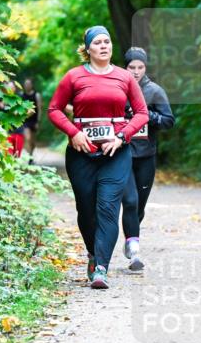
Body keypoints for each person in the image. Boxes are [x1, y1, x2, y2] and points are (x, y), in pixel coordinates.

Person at [48, 26, 149, 289]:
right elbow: (54, 109)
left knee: (108, 207)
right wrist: (74, 132)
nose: (104, 46)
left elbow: (141, 113)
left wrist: (122, 137)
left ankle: (101, 267)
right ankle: (93, 253)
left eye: (107, 42)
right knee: (86, 209)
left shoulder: (124, 77)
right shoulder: (74, 77)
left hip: (115, 152)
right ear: (88, 49)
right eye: (98, 42)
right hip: (82, 153)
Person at [120, 47, 175, 271]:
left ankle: (130, 238)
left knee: (139, 206)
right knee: (130, 202)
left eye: (140, 67)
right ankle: (134, 252)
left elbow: (169, 121)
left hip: (146, 156)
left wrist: (148, 116)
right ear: (125, 67)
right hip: (121, 154)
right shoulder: (116, 88)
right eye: (131, 67)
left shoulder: (154, 92)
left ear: (145, 67)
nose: (135, 72)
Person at [20, 78, 42, 161]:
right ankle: (29, 157)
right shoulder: (22, 95)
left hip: (34, 121)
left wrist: (38, 121)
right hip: (26, 121)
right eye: (26, 84)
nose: (27, 86)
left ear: (32, 85)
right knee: (27, 138)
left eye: (28, 84)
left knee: (32, 141)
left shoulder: (36, 95)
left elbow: (39, 109)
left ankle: (31, 155)